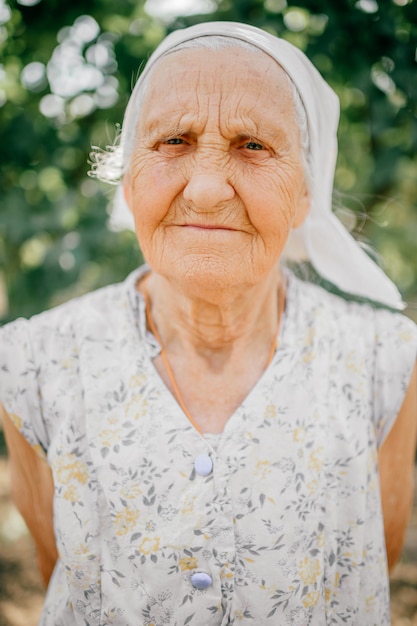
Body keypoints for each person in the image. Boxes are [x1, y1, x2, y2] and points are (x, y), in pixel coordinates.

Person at [1, 20, 416, 626]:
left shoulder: (388, 362)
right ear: (129, 175)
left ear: (305, 191)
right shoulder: (33, 365)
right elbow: (63, 569)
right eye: (173, 140)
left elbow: (367, 567)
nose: (204, 189)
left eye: (253, 145)